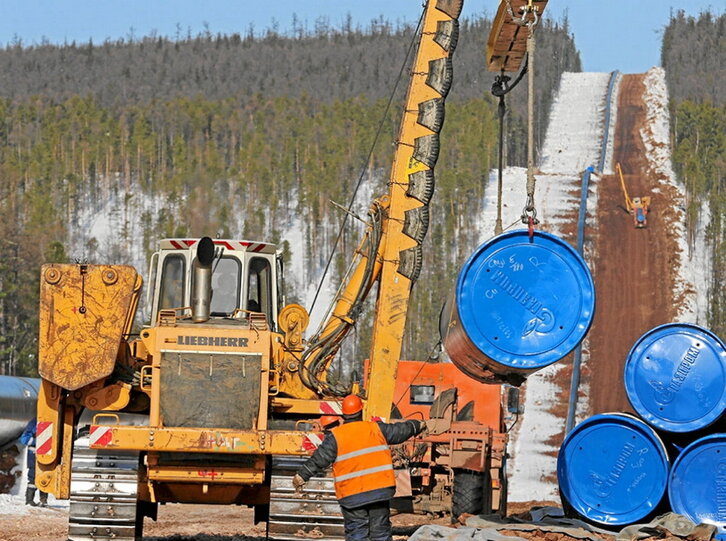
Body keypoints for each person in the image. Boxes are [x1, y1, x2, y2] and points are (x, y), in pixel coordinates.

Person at [293, 395, 448, 541]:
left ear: (343, 415)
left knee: (357, 532)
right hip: (378, 491)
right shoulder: (375, 429)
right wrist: (419, 425)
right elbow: (400, 431)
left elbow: (319, 459)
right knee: (380, 531)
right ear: (361, 411)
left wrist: (301, 476)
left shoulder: (336, 437)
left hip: (352, 495)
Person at [20, 418, 48, 507]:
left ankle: (43, 500)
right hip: (34, 456)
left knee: (46, 476)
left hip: (46, 455)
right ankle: (29, 500)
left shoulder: (53, 420)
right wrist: (39, 441)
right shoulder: (34, 423)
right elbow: (24, 439)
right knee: (33, 477)